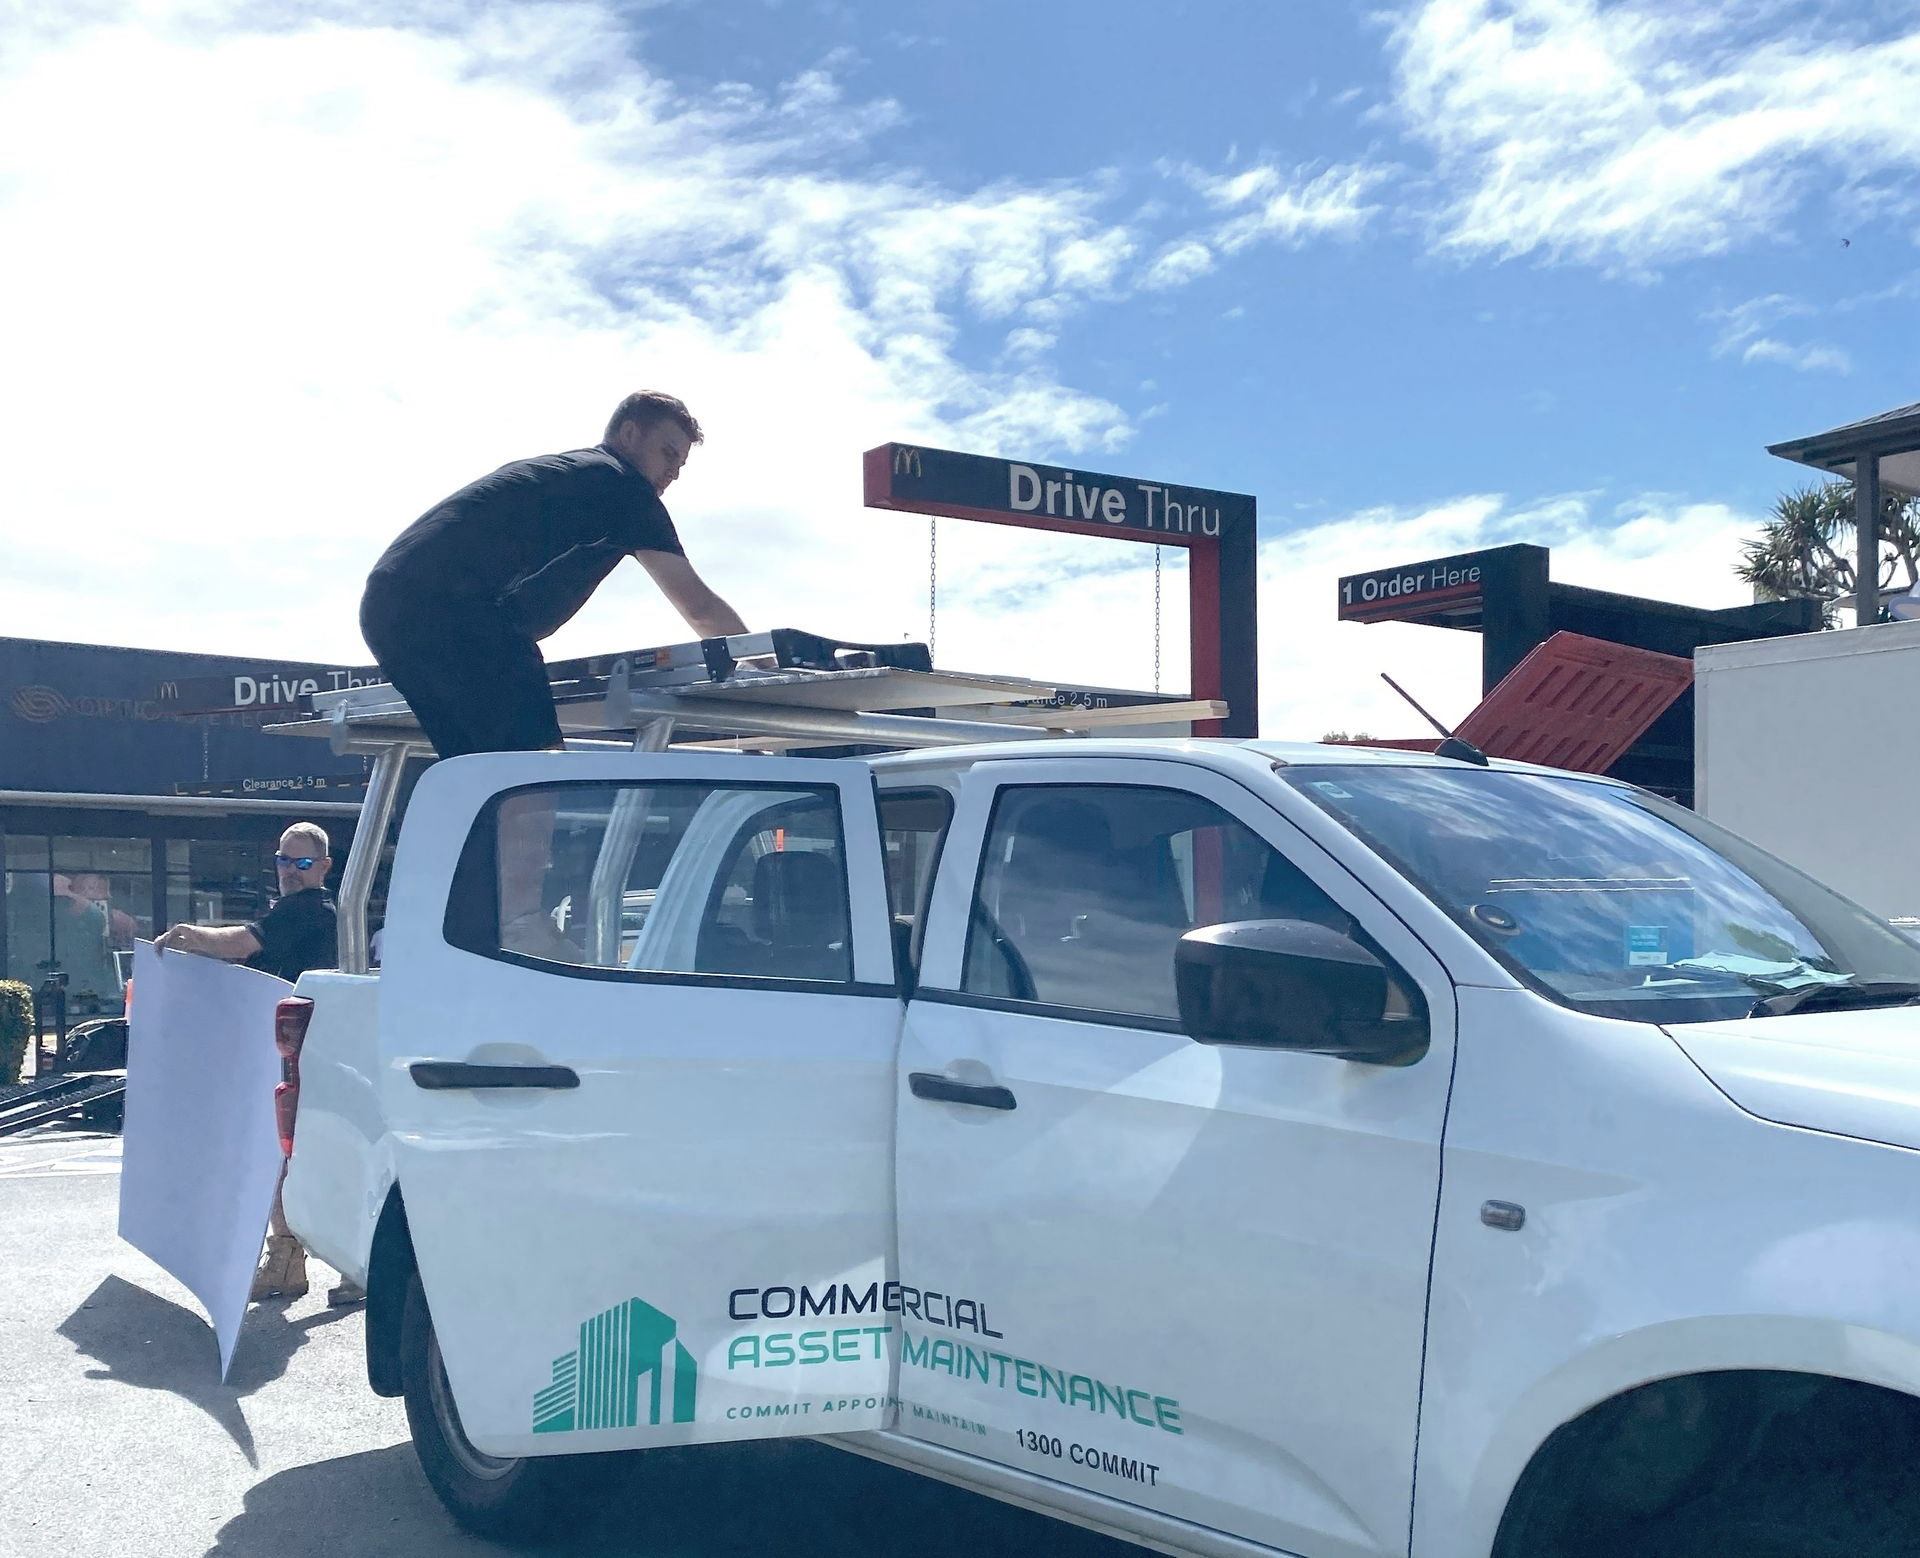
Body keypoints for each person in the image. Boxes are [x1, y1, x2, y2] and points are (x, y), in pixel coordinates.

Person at [358, 392, 748, 959]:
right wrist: (767, 658)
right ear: (630, 435)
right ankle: (517, 921)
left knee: (481, 776)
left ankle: (460, 926)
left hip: (392, 605)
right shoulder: (619, 486)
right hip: (456, 612)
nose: (672, 474)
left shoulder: (568, 476)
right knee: (536, 764)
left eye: (681, 464)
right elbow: (698, 608)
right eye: (667, 453)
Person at [154, 823, 357, 1305]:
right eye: (284, 860)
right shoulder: (307, 910)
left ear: (324, 867)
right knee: (292, 1159)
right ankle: (299, 1262)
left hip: (309, 1056)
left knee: (294, 1160)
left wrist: (190, 935)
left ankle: (320, 1263)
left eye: (302, 862)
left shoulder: (309, 908)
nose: (290, 870)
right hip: (305, 1053)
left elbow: (242, 943)